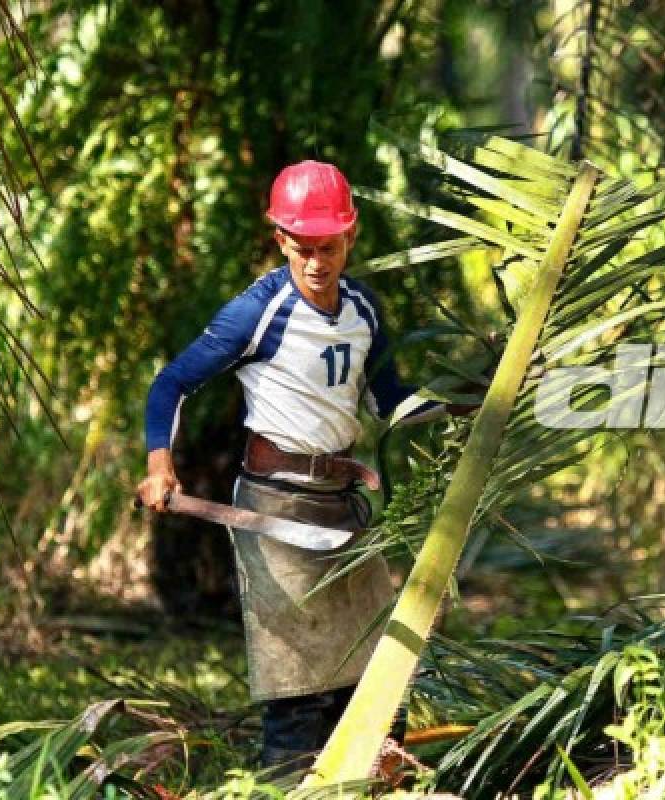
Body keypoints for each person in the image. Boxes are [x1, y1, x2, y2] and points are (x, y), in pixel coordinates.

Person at [136, 160, 437, 771]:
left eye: (329, 247)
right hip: (273, 506)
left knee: (380, 664)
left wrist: (464, 403)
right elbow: (171, 384)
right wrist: (160, 463)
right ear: (281, 240)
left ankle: (378, 776)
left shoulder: (364, 311)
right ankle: (289, 779)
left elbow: (388, 399)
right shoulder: (258, 312)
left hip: (342, 507)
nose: (317, 263)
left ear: (350, 237)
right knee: (297, 677)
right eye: (303, 248)